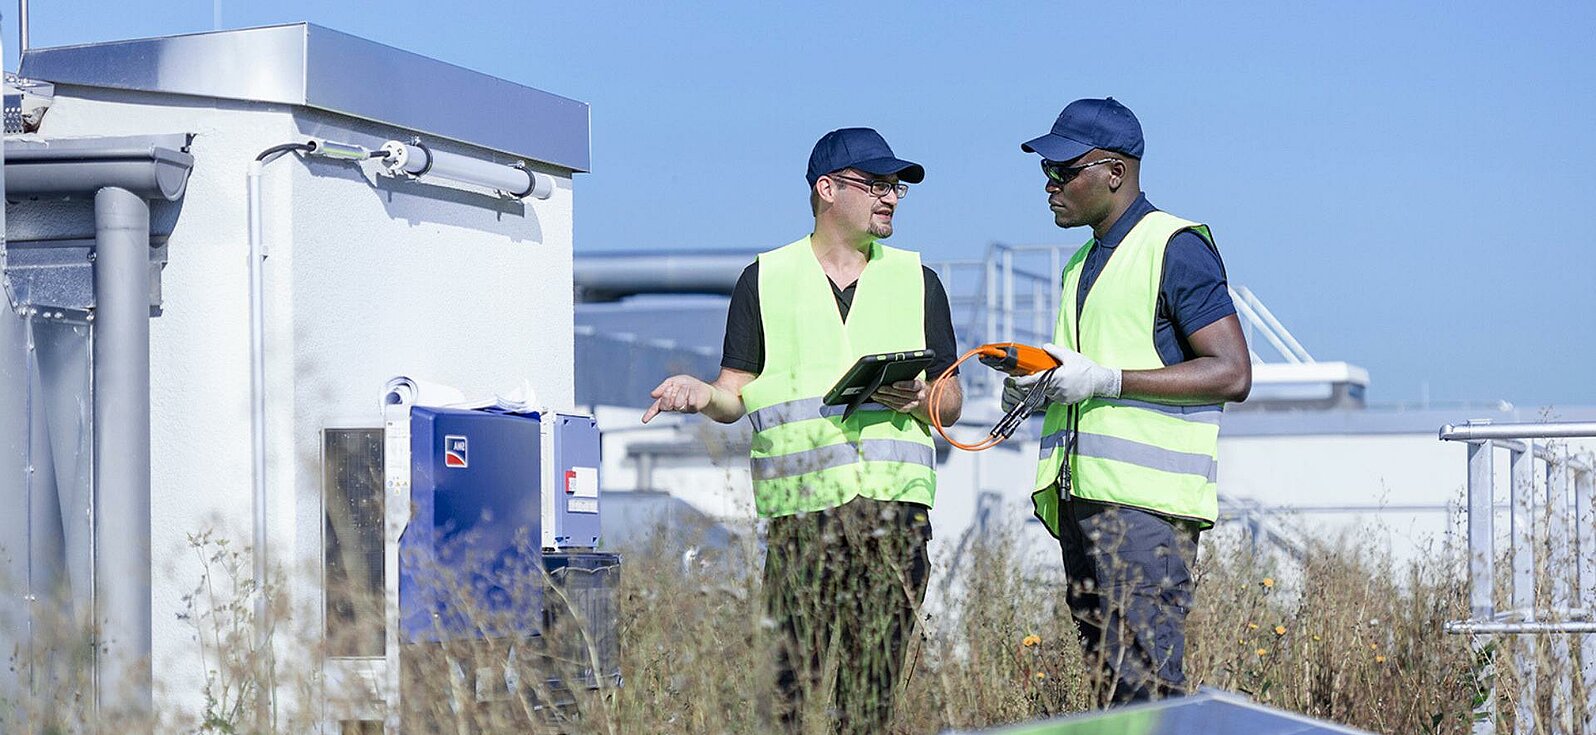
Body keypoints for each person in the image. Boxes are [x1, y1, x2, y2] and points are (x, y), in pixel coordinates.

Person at [641, 127, 964, 733]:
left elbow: (953, 399)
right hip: (802, 520)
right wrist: (701, 395)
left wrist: (924, 396)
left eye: (896, 187)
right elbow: (733, 391)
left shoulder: (919, 280)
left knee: (870, 703)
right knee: (788, 697)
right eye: (876, 184)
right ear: (827, 189)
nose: (890, 197)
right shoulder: (763, 280)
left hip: (896, 517)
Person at [1010, 98, 1251, 705]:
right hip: (1087, 505)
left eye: (1064, 171)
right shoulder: (1080, 265)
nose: (1050, 184)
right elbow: (1090, 379)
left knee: (1144, 691)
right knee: (1115, 695)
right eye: (1047, 171)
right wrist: (1037, 389)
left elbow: (1232, 372)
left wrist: (1107, 380)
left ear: (1114, 172)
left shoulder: (1174, 247)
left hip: (1145, 516)